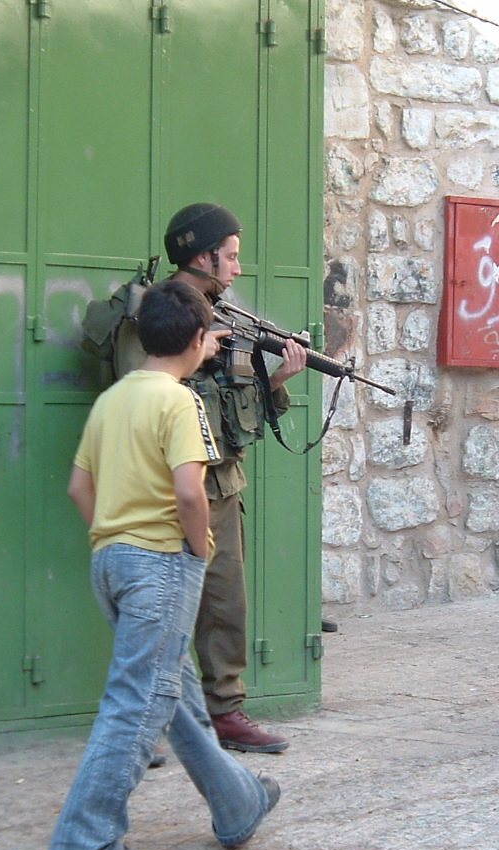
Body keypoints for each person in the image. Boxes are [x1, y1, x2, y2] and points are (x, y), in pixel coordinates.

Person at [42, 281, 279, 850]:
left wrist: (114, 534)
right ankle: (83, 841)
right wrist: (197, 550)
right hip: (162, 563)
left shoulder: (113, 399)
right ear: (200, 341)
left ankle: (238, 802)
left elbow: (78, 487)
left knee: (171, 692)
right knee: (138, 702)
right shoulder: (180, 403)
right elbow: (188, 491)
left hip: (112, 560)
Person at [163, 202, 307, 753]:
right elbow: (163, 393)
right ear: (203, 256)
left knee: (223, 603)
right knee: (172, 605)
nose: (238, 268)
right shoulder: (170, 313)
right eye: (231, 256)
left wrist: (277, 379)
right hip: (183, 482)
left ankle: (221, 712)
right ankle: (183, 719)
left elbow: (225, 405)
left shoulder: (223, 315)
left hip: (217, 481)